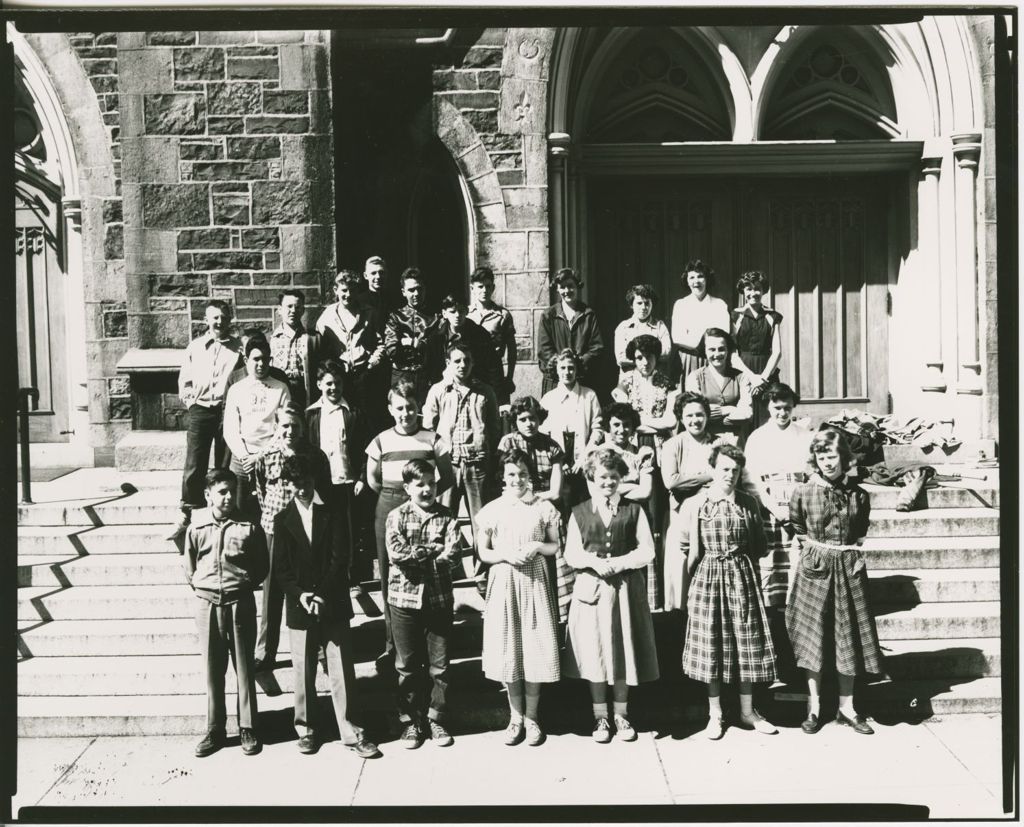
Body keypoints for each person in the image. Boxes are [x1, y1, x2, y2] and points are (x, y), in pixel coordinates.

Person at [273, 454, 381, 759]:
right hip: (299, 607)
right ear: (288, 484)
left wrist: (320, 594)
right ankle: (306, 729)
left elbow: (339, 559)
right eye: (295, 483)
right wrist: (301, 595)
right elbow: (281, 570)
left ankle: (352, 731)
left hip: (332, 602)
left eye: (306, 481)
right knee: (303, 671)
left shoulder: (332, 512)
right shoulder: (282, 521)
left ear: (314, 479)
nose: (302, 488)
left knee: (341, 669)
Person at [787, 428, 884, 736]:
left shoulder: (859, 495)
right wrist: (817, 555)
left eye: (832, 456)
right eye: (821, 456)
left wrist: (845, 559)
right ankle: (813, 707)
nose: (827, 462)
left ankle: (847, 707)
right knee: (812, 637)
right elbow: (798, 528)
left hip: (848, 568)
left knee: (848, 637)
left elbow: (858, 534)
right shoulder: (803, 492)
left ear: (844, 458)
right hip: (815, 566)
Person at [678, 443, 778, 740]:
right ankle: (716, 714)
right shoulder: (696, 504)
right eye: (724, 469)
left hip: (741, 577)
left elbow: (760, 546)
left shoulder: (748, 502)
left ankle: (748, 711)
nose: (730, 475)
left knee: (746, 642)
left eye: (735, 470)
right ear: (712, 469)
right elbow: (687, 547)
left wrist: (740, 562)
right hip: (708, 577)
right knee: (712, 645)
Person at [562, 449, 659, 743]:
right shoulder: (579, 512)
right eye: (603, 476)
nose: (609, 482)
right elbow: (572, 553)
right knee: (595, 653)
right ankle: (600, 717)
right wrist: (594, 563)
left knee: (622, 650)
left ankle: (621, 714)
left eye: (614, 477)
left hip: (625, 590)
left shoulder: (634, 510)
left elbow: (647, 550)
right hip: (592, 590)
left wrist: (619, 563)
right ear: (592, 477)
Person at [366, 379, 454, 668]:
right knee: (390, 573)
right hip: (390, 503)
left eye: (411, 407)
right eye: (399, 408)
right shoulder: (380, 440)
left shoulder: (433, 439)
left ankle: (426, 641)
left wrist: (423, 502)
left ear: (419, 408)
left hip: (426, 507)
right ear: (391, 409)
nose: (405, 413)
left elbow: (447, 478)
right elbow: (373, 479)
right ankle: (393, 644)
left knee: (428, 571)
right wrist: (397, 500)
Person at [476, 448, 562, 746]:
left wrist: (538, 545)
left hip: (535, 580)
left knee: (535, 645)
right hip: (504, 579)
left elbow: (554, 545)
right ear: (503, 475)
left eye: (523, 473)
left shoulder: (543, 508)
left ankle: (532, 717)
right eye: (512, 473)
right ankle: (515, 717)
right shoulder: (492, 509)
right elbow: (483, 552)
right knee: (509, 646)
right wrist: (504, 554)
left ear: (530, 476)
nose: (517, 479)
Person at [184, 468, 268, 758]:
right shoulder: (196, 527)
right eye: (222, 492)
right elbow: (190, 566)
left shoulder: (248, 526)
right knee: (212, 669)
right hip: (207, 603)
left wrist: (242, 584)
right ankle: (215, 729)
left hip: (239, 602)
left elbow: (261, 565)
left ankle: (248, 726)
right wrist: (203, 587)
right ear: (208, 495)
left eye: (232, 491)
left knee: (244, 667)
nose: (229, 497)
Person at [385, 459, 463, 749]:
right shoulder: (397, 516)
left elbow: (453, 555)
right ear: (407, 488)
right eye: (420, 484)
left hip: (438, 600)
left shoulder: (447, 516)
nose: (427, 489)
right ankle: (411, 721)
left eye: (431, 483)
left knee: (439, 667)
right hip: (404, 601)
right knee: (407, 665)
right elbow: (397, 553)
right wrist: (432, 549)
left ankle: (436, 718)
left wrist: (422, 554)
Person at [252, 405, 332, 674]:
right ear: (277, 427)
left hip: (307, 531)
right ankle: (266, 651)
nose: (290, 431)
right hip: (276, 529)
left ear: (303, 427)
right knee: (272, 590)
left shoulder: (315, 456)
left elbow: (324, 490)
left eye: (295, 426)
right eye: (284, 425)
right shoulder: (267, 456)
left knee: (309, 585)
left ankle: (320, 650)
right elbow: (261, 489)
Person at [423, 343, 501, 596]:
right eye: (457, 360)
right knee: (443, 520)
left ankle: (482, 575)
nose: (462, 365)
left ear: (473, 363)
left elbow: (495, 429)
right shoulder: (438, 391)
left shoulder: (485, 392)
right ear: (448, 363)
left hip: (477, 464)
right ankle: (444, 572)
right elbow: (428, 428)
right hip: (448, 465)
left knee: (481, 523)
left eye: (467, 360)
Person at [170, 300, 243, 539]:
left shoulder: (238, 348)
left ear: (230, 319)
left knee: (224, 461)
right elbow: (185, 381)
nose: (219, 322)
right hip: (201, 408)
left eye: (223, 317)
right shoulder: (195, 347)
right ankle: (188, 512)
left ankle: (221, 510)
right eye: (215, 318)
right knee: (194, 462)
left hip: (225, 409)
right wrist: (192, 403)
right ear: (206, 321)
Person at [305, 359, 370, 597]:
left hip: (347, 481)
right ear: (320, 384)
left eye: (338, 383)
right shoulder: (311, 414)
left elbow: (364, 447)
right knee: (325, 530)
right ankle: (324, 574)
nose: (334, 388)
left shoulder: (352, 413)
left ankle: (353, 578)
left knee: (350, 531)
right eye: (329, 384)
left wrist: (362, 477)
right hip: (323, 483)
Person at [744, 382, 812, 610]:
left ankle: (796, 611)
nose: (782, 413)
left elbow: (812, 474)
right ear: (768, 408)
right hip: (769, 507)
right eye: (777, 408)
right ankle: (772, 614)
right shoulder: (757, 437)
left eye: (787, 408)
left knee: (796, 561)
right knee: (770, 561)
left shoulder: (805, 436)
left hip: (799, 505)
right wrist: (775, 507)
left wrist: (797, 509)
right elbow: (751, 479)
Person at [587, 402, 658, 608]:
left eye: (626, 425)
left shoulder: (642, 453)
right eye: (616, 424)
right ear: (608, 427)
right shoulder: (599, 454)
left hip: (636, 517)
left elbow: (645, 492)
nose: (621, 430)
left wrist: (616, 489)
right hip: (608, 517)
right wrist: (630, 484)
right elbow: (596, 492)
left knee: (634, 570)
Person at [222, 334, 292, 519]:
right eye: (256, 359)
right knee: (240, 512)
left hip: (272, 457)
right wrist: (245, 456)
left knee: (273, 513)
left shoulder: (281, 388)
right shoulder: (236, 389)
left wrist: (262, 455)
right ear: (246, 360)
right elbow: (230, 428)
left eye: (265, 359)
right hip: (242, 460)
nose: (261, 364)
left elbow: (284, 428)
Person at [660, 392, 717, 612]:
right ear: (681, 418)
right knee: (680, 575)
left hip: (712, 516)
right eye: (690, 415)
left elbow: (727, 478)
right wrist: (709, 475)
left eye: (700, 415)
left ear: (707, 416)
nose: (695, 420)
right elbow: (671, 482)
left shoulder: (718, 443)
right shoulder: (673, 445)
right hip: (682, 516)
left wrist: (693, 481)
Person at [314, 270, 385, 419]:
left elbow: (380, 343)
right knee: (343, 416)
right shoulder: (327, 315)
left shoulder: (369, 313)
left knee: (364, 417)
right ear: (336, 290)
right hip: (339, 377)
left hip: (363, 374)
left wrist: (371, 363)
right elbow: (320, 344)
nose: (348, 295)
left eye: (353, 291)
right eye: (344, 290)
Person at [539, 348, 602, 507]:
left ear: (577, 370)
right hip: (558, 456)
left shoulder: (589, 395)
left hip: (583, 456)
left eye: (571, 368)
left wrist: (585, 457)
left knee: (583, 505)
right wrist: (559, 461)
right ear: (556, 369)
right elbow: (543, 433)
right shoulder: (549, 398)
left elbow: (598, 428)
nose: (567, 372)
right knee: (562, 505)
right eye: (562, 368)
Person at [536, 268, 605, 396]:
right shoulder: (548, 316)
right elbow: (544, 349)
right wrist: (563, 366)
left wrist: (577, 365)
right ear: (557, 289)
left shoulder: (588, 314)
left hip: (582, 380)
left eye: (570, 286)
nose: (567, 291)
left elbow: (596, 347)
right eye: (562, 287)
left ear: (577, 287)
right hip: (555, 380)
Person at [731, 271, 783, 430]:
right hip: (743, 372)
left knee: (768, 420)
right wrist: (752, 378)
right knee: (746, 418)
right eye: (749, 289)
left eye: (757, 289)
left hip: (766, 373)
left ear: (763, 291)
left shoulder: (772, 316)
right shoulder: (735, 316)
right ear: (743, 291)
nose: (753, 293)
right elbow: (733, 354)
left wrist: (763, 379)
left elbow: (777, 352)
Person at [684, 328, 754, 445]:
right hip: (704, 442)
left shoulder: (741, 377)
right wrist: (733, 410)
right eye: (712, 350)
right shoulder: (695, 377)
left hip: (736, 441)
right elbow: (696, 414)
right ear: (705, 351)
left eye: (721, 349)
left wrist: (721, 411)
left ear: (728, 350)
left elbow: (747, 414)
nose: (717, 354)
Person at [385, 267, 440, 405]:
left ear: (425, 289)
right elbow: (391, 349)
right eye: (411, 290)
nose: (416, 293)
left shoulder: (435, 317)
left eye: (419, 289)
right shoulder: (395, 317)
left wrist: (412, 343)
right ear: (403, 292)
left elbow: (437, 349)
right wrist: (407, 344)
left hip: (427, 377)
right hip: (402, 376)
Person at [428, 293, 504, 392]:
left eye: (461, 311)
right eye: (452, 312)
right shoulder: (436, 338)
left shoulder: (480, 335)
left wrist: (496, 394)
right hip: (446, 391)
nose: (457, 315)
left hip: (476, 389)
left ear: (467, 311)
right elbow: (431, 370)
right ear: (444, 313)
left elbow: (493, 366)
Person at [497, 396, 565, 505]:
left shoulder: (552, 447)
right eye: (522, 420)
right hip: (515, 504)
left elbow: (556, 493)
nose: (528, 424)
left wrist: (531, 499)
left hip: (546, 503)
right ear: (515, 421)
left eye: (532, 418)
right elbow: (500, 482)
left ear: (540, 418)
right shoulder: (507, 443)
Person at [671, 259, 730, 380]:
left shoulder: (719, 304)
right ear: (687, 281)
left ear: (707, 279)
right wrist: (701, 343)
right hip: (689, 359)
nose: (696, 281)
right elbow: (677, 336)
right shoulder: (681, 304)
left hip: (714, 358)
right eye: (691, 278)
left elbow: (724, 332)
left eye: (700, 276)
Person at [467, 266, 518, 405]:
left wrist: (509, 377)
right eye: (480, 286)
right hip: (471, 372)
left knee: (498, 410)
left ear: (493, 288)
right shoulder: (466, 314)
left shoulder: (502, 315)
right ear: (472, 289)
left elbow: (512, 349)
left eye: (488, 286)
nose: (484, 290)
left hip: (494, 371)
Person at [269, 289, 322, 411]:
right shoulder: (272, 339)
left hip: (304, 392)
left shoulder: (313, 338)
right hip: (280, 391)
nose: (293, 311)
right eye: (289, 306)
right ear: (280, 310)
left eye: (297, 307)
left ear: (303, 310)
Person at [613, 284, 673, 382]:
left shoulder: (660, 326)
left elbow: (666, 353)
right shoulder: (623, 327)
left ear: (652, 304)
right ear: (631, 305)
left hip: (654, 380)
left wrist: (637, 356)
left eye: (647, 303)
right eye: (639, 303)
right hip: (629, 380)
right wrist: (650, 357)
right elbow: (621, 358)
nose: (644, 307)